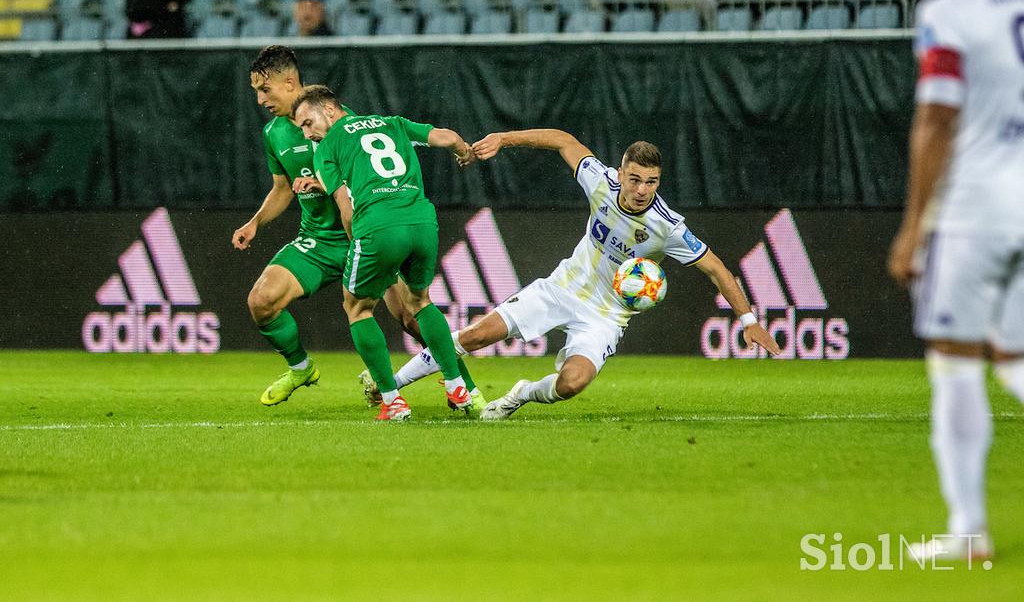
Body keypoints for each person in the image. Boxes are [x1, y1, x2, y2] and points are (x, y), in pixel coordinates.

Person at [385, 131, 781, 420]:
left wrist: (748, 320)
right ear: (622, 172)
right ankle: (389, 383)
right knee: (475, 336)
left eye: (652, 182)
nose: (642, 190)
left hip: (605, 317)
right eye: (635, 179)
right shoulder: (601, 181)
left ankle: (519, 395)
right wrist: (504, 139)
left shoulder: (668, 227)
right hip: (560, 289)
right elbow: (562, 140)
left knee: (571, 384)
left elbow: (718, 270)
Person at [887, 0, 1024, 563]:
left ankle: (968, 527)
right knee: (1016, 356)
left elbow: (937, 120)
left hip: (977, 208)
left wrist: (914, 224)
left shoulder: (947, 12)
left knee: (955, 356)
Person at [235, 47, 483, 407]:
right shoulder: (274, 133)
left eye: (265, 89)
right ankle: (301, 368)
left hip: (365, 233)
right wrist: (255, 222)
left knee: (412, 317)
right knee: (261, 302)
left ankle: (464, 387)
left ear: (289, 83)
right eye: (256, 92)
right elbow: (282, 187)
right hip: (318, 241)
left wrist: (328, 187)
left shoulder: (341, 122)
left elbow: (360, 179)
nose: (260, 100)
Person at [291, 86, 481, 420]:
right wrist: (464, 151)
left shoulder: (327, 148)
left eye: (308, 122)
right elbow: (446, 137)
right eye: (301, 129)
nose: (307, 133)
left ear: (330, 110)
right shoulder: (391, 122)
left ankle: (392, 401)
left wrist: (359, 244)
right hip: (422, 222)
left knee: (357, 307)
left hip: (377, 227)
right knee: (420, 301)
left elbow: (345, 207)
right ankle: (457, 386)